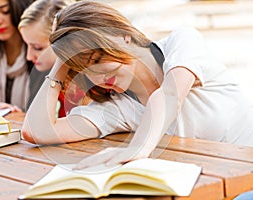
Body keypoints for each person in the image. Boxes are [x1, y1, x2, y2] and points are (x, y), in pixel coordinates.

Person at [22, 1, 253, 169]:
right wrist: (61, 64)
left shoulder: (181, 44)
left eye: (97, 59)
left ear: (123, 35)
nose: (98, 75)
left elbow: (170, 95)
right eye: (86, 69)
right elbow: (35, 131)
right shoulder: (118, 107)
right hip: (205, 184)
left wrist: (138, 148)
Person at [18, 0, 84, 117]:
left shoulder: (91, 81)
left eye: (37, 47)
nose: (29, 56)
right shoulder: (53, 74)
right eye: (27, 45)